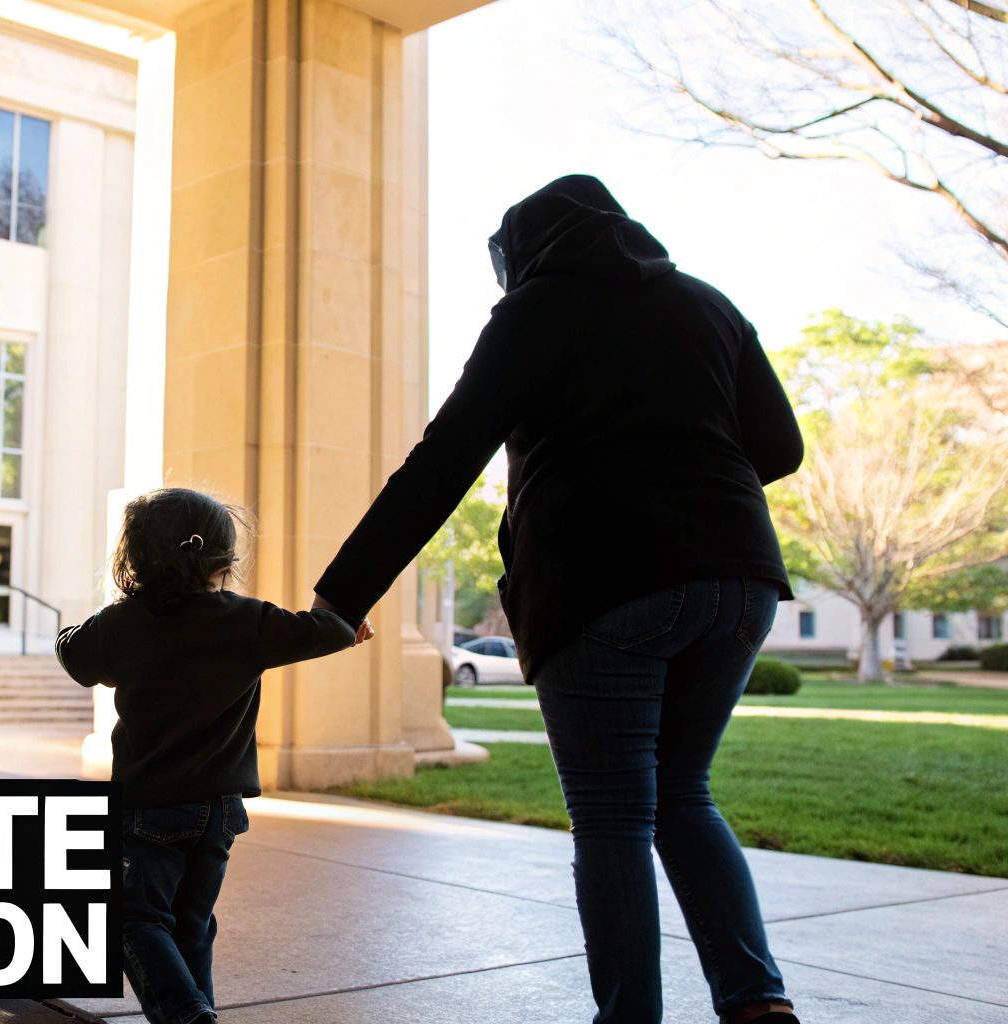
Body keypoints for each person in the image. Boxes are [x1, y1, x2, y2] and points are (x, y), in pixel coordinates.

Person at [311, 175, 805, 1024]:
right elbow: (782, 447)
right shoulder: (708, 304)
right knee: (684, 793)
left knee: (613, 815)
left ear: (524, 253)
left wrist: (342, 594)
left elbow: (446, 458)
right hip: (739, 580)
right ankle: (759, 1005)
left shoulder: (537, 310)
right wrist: (693, 497)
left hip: (601, 584)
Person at [57, 487, 373, 1024]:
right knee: (191, 925)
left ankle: (187, 1015)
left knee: (132, 919)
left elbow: (73, 651)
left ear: (134, 558)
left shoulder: (124, 624)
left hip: (149, 807)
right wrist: (347, 631)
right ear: (224, 560)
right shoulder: (248, 622)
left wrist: (119, 606)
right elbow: (325, 628)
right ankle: (199, 1011)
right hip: (219, 813)